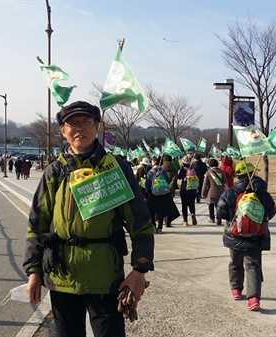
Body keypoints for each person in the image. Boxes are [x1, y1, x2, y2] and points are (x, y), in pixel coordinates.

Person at [23, 101, 155, 337]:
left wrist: (140, 269)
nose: (79, 129)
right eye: (72, 123)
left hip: (105, 278)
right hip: (62, 276)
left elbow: (141, 223)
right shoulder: (55, 172)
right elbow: (37, 225)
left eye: (86, 122)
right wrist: (33, 270)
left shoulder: (116, 169)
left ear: (97, 127)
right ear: (63, 131)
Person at [217, 162, 276, 311]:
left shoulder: (231, 192)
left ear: (238, 175)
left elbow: (221, 211)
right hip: (257, 235)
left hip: (235, 234)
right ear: (253, 174)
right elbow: (272, 210)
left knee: (235, 262)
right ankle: (254, 298)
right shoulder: (263, 193)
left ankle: (236, 289)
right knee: (253, 265)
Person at [145, 157, 180, 234]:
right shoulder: (162, 171)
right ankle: (160, 227)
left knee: (152, 211)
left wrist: (147, 192)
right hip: (162, 194)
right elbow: (167, 180)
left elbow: (147, 184)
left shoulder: (150, 172)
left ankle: (153, 226)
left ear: (154, 162)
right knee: (160, 211)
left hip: (153, 194)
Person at [201, 158, 227, 225]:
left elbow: (205, 184)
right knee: (218, 206)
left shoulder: (209, 172)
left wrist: (203, 193)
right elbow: (225, 183)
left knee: (211, 205)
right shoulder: (222, 172)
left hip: (211, 191)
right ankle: (219, 219)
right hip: (220, 191)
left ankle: (212, 218)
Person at [177, 155, 198, 226]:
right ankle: (192, 214)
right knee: (192, 204)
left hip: (184, 189)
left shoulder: (183, 169)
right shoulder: (194, 169)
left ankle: (185, 221)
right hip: (193, 189)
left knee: (184, 205)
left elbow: (179, 177)